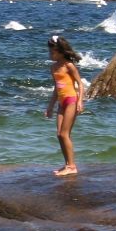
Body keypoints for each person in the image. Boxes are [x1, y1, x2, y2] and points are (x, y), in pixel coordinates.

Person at [46, 34, 85, 177]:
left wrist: (80, 101)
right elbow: (56, 89)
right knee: (59, 134)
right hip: (61, 102)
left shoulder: (69, 65)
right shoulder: (53, 67)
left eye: (52, 52)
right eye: (49, 52)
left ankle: (72, 166)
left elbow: (80, 84)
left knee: (64, 134)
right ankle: (67, 164)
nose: (50, 54)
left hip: (71, 101)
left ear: (61, 52)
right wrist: (50, 107)